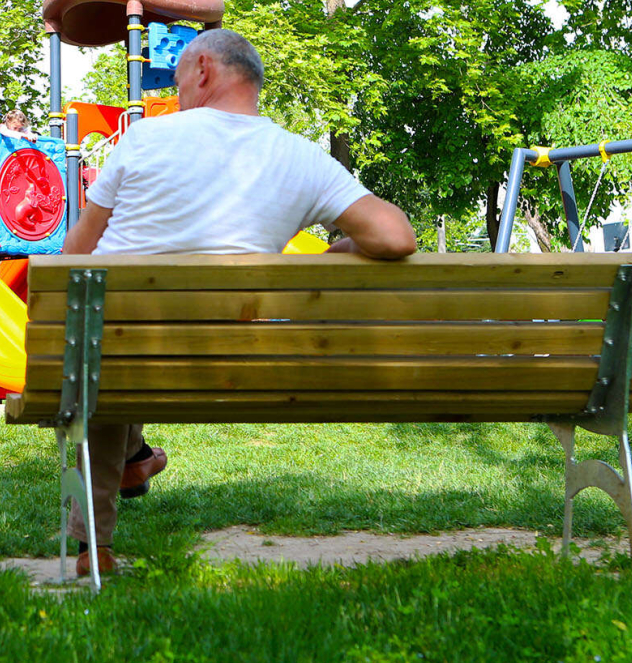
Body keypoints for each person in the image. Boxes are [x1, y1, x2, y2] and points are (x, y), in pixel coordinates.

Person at [61, 28, 417, 577]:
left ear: (203, 69)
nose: (178, 94)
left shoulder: (143, 138)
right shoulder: (301, 157)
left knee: (106, 349)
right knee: (116, 350)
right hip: (230, 364)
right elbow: (396, 237)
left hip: (124, 358)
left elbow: (73, 258)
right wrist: (341, 250)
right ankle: (134, 459)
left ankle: (95, 544)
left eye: (179, 81)